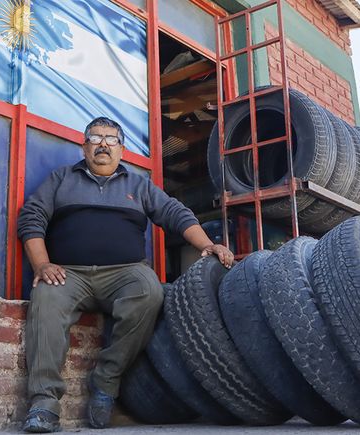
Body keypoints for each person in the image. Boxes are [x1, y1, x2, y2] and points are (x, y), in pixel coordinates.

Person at [17, 116, 234, 432]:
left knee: (149, 290)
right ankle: (43, 404)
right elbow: (31, 218)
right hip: (69, 274)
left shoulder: (138, 185)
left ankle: (106, 381)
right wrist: (42, 265)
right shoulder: (61, 179)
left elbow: (175, 214)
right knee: (45, 296)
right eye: (95, 138)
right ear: (84, 146)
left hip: (124, 273)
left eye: (111, 139)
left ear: (122, 149)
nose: (103, 144)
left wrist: (207, 244)